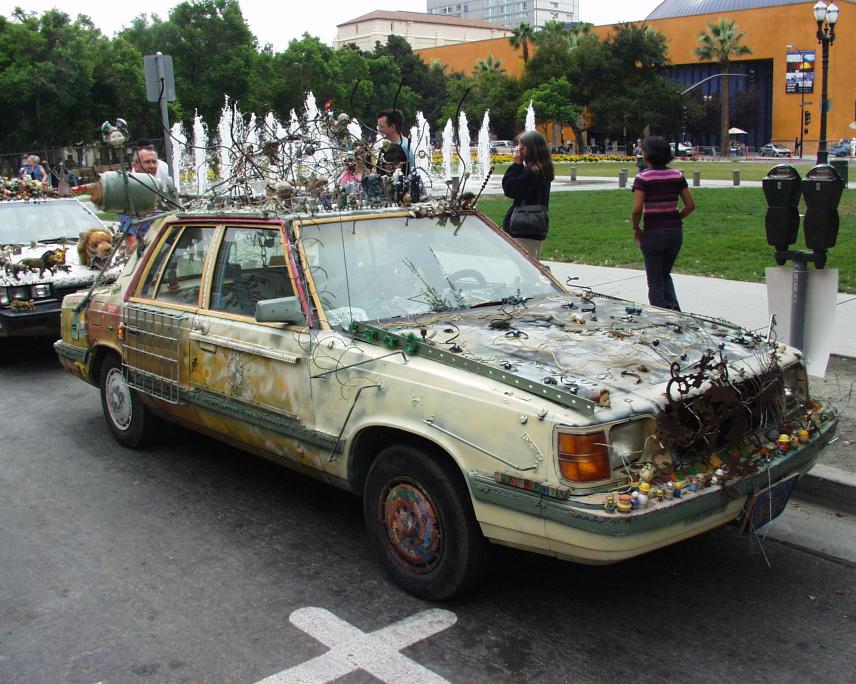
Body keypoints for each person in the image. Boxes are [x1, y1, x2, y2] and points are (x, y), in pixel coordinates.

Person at [631, 136, 695, 311]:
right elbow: (690, 205)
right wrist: (676, 217)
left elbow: (637, 209)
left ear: (647, 154)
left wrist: (636, 227)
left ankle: (661, 317)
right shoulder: (677, 175)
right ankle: (674, 312)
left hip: (653, 232)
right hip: (675, 232)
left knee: (654, 282)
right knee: (665, 275)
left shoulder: (643, 178)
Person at [501, 130, 554, 260]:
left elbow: (510, 188)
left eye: (522, 148)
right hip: (533, 224)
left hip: (524, 227)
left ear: (533, 150)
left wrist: (516, 164)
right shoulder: (542, 169)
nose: (519, 152)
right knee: (531, 261)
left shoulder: (533, 172)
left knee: (525, 263)